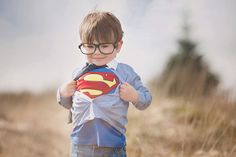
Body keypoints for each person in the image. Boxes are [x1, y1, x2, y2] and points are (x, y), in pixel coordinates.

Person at [57, 11, 152, 157]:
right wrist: (63, 93)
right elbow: (68, 104)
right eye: (90, 46)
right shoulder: (78, 73)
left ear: (118, 46)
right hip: (80, 146)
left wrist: (135, 96)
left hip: (113, 147)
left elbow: (146, 99)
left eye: (105, 46)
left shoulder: (125, 72)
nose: (97, 53)